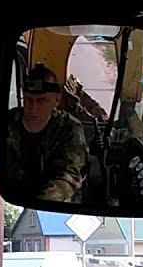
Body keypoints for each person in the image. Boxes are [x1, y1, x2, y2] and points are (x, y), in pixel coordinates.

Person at [5, 64, 88, 202]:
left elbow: (68, 177)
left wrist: (40, 203)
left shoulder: (69, 128)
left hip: (55, 204)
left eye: (41, 101)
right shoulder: (7, 122)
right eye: (28, 100)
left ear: (57, 100)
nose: (33, 108)